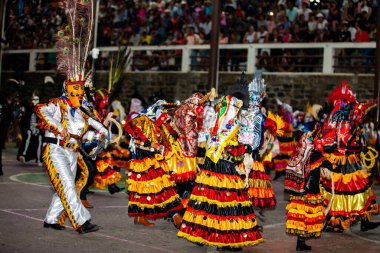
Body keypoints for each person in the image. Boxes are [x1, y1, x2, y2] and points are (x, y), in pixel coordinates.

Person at [35, 0, 108, 234]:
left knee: (66, 187)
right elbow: (41, 111)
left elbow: (100, 128)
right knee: (66, 184)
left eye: (81, 90)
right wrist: (59, 128)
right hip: (55, 149)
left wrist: (103, 135)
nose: (80, 94)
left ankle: (52, 218)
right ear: (68, 90)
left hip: (73, 151)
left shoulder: (84, 111)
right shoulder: (58, 105)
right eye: (75, 90)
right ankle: (82, 221)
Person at [178, 95, 263, 251]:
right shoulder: (229, 124)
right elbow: (233, 151)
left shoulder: (220, 122)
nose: (238, 111)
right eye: (236, 108)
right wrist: (244, 149)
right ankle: (223, 239)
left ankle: (215, 236)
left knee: (211, 201)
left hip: (214, 165)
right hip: (223, 168)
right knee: (224, 201)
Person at [315, 80, 379, 232]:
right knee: (348, 190)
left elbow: (327, 137)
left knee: (355, 189)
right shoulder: (348, 112)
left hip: (342, 158)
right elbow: (359, 111)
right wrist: (372, 103)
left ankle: (360, 220)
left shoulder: (332, 116)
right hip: (343, 159)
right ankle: (337, 222)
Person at [18, 94, 43, 166]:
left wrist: (38, 125)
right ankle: (24, 155)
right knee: (27, 140)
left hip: (38, 129)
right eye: (33, 99)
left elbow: (43, 120)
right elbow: (25, 118)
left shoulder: (41, 109)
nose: (34, 101)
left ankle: (38, 159)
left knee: (39, 143)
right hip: (30, 128)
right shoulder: (30, 108)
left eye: (36, 100)